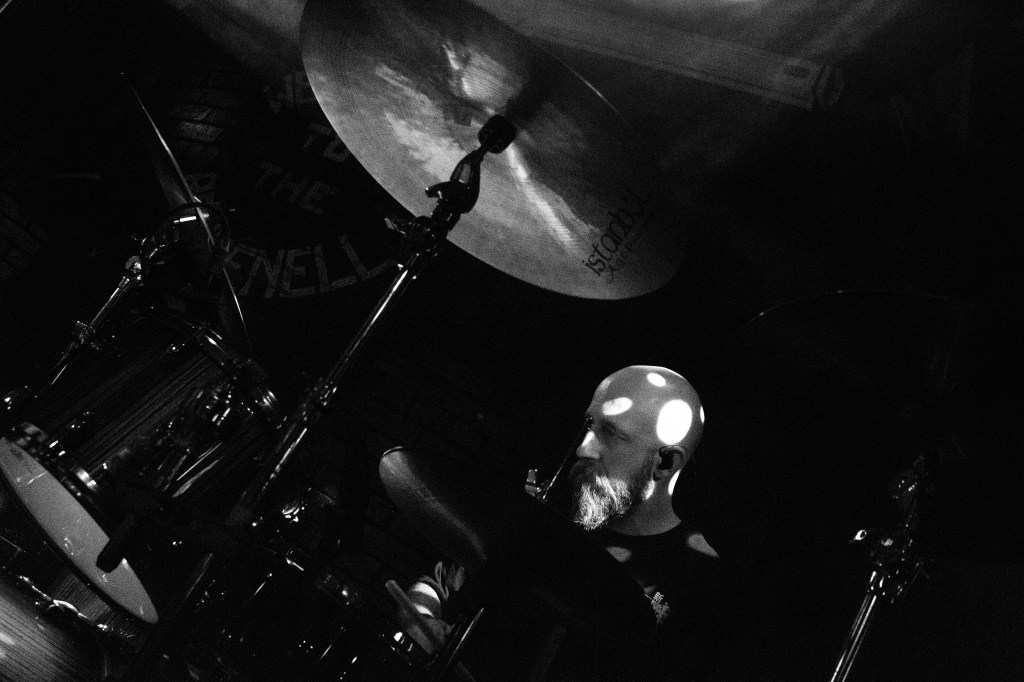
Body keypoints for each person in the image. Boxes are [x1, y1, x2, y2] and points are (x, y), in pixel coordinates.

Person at [398, 365, 727, 680]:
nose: (583, 448)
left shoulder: (698, 579)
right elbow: (437, 585)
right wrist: (421, 622)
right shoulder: (549, 511)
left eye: (610, 433)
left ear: (665, 462)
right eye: (589, 425)